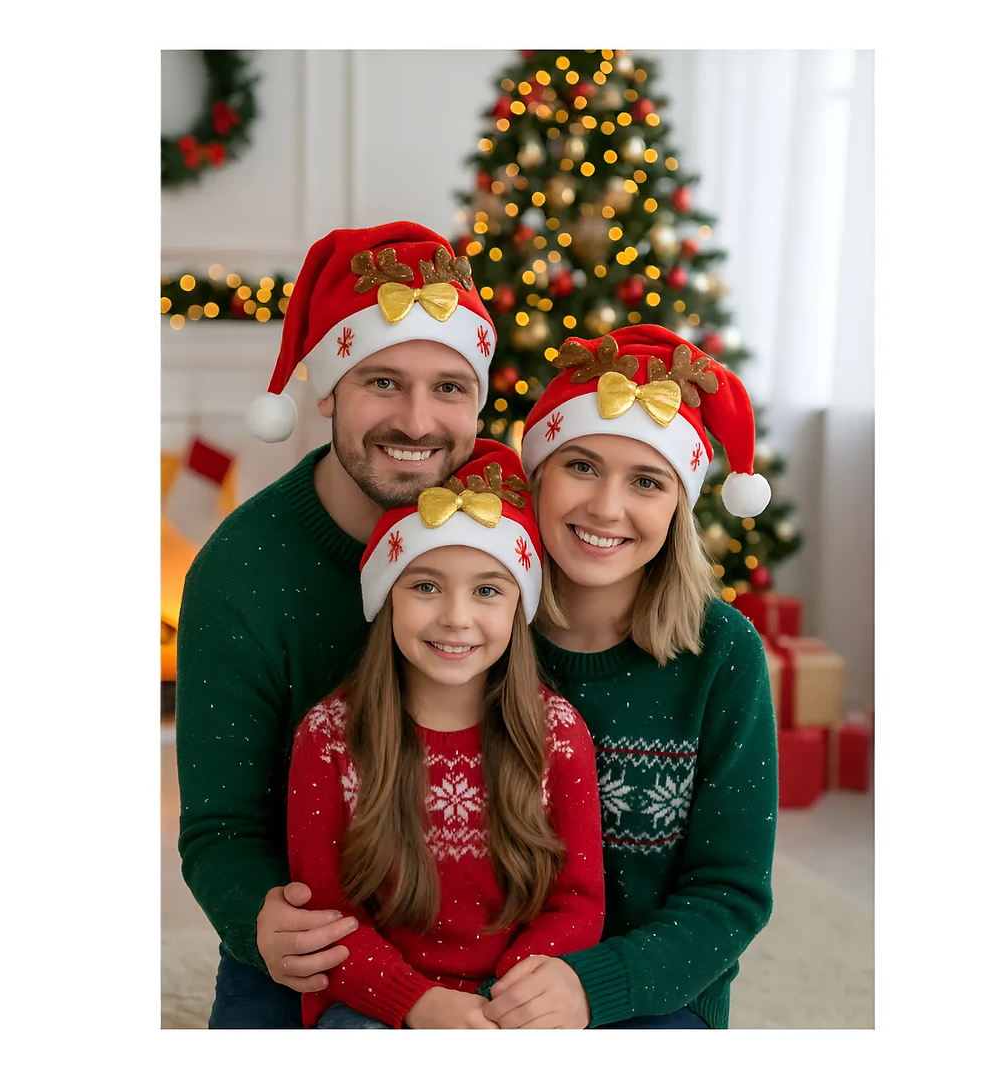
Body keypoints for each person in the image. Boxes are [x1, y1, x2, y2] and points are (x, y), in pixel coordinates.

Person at [174, 220, 500, 1028]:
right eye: (382, 382)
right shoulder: (241, 570)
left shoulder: (514, 537)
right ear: (326, 389)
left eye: (448, 387)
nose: (418, 422)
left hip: (488, 923)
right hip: (318, 923)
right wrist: (258, 917)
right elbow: (218, 823)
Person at [477, 322, 779, 1029]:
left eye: (646, 481)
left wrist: (594, 986)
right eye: (580, 465)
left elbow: (730, 891)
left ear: (678, 505)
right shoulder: (472, 627)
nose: (606, 508)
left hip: (655, 992)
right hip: (480, 976)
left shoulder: (721, 652)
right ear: (537, 474)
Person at [287, 441, 605, 1029]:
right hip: (375, 1003)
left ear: (517, 607)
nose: (456, 617)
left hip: (513, 1001)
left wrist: (507, 1002)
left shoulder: (556, 733)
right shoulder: (330, 737)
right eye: (426, 586)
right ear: (386, 599)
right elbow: (326, 917)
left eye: (487, 590)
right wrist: (417, 1002)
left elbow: (577, 902)